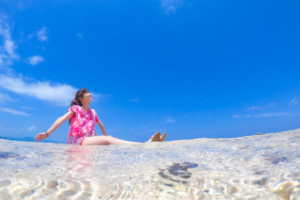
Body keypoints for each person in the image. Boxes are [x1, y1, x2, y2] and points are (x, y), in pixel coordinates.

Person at [35, 88, 166, 145]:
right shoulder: (76, 109)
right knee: (109, 140)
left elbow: (101, 126)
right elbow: (61, 119)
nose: (90, 93)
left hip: (89, 139)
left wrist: (105, 138)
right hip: (78, 141)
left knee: (109, 140)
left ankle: (149, 143)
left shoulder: (93, 112)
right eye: (86, 93)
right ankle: (144, 145)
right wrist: (47, 133)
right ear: (80, 98)